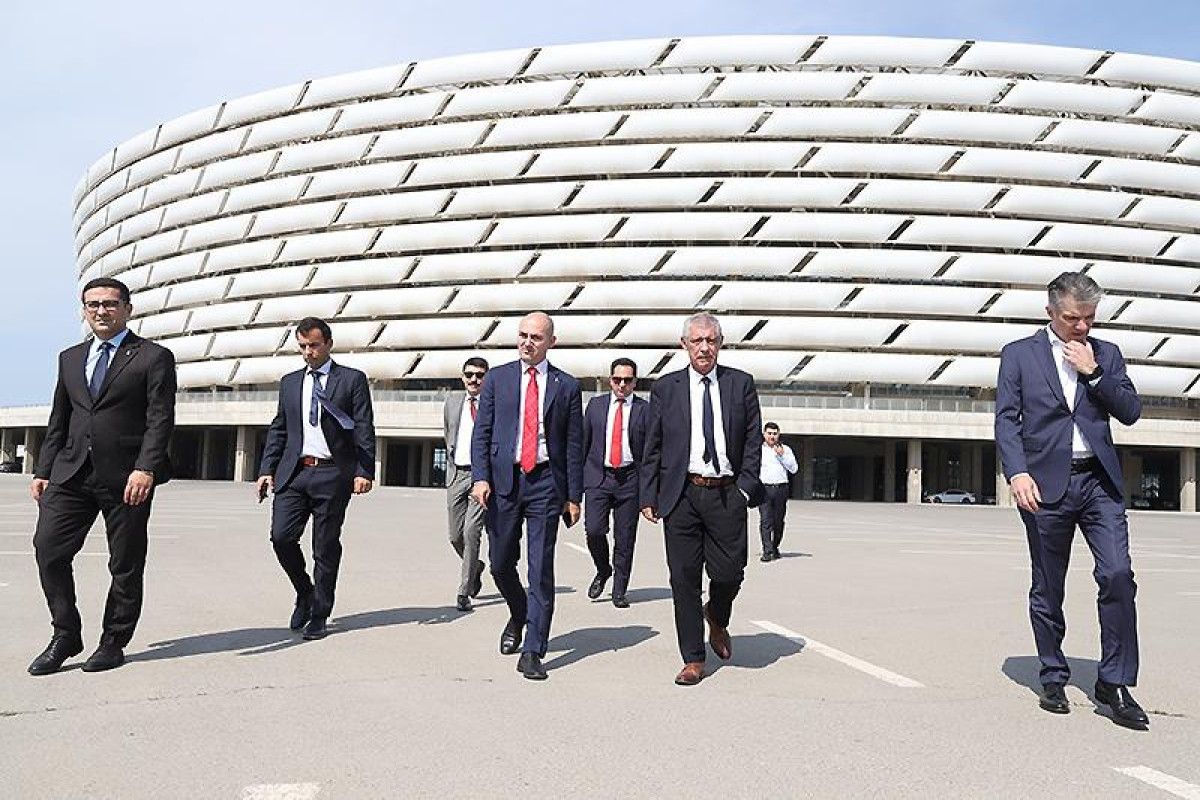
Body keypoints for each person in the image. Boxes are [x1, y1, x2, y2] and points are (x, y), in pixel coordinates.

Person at [995, 272, 1148, 728]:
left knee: (1118, 575)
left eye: (1089, 317)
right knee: (1048, 585)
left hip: (1099, 482)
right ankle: (1053, 675)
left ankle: (1115, 683)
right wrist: (1017, 472)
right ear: (1050, 312)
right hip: (1044, 485)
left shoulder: (1107, 354)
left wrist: (1094, 373)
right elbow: (1007, 420)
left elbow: (1131, 412)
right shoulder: (1019, 355)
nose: (1081, 326)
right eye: (1071, 318)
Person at [29, 277, 176, 675]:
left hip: (127, 477)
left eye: (110, 304)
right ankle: (65, 633)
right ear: (84, 309)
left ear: (128, 309)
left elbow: (160, 418)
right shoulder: (71, 358)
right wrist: (43, 469)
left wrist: (146, 466)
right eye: (93, 304)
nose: (101, 311)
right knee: (49, 549)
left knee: (125, 562)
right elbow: (60, 417)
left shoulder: (151, 356)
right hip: (71, 472)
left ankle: (113, 640)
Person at [641, 312, 763, 686]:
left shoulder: (740, 384)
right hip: (682, 495)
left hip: (727, 493)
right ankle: (693, 657)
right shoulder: (666, 388)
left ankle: (718, 616)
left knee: (729, 573)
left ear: (720, 343)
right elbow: (653, 445)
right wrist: (650, 494)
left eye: (711, 340)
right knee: (683, 579)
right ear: (684, 345)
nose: (704, 347)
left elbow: (754, 440)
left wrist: (744, 487)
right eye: (697, 341)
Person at [471, 312, 583, 681]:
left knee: (540, 568)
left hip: (547, 483)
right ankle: (519, 613)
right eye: (522, 335)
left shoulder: (566, 385)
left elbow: (572, 443)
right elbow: (482, 433)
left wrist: (573, 496)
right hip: (504, 481)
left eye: (536, 337)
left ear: (552, 341)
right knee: (501, 563)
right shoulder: (497, 379)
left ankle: (534, 649)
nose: (527, 342)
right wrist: (481, 477)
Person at [257, 317, 376, 641]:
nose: (308, 352)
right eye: (302, 346)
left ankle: (320, 613)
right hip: (294, 472)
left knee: (324, 547)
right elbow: (279, 427)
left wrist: (364, 471)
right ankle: (305, 592)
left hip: (332, 473)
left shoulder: (351, 380)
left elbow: (364, 426)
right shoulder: (290, 382)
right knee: (281, 538)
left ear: (328, 344)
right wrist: (267, 469)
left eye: (313, 345)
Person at [581, 357, 648, 608]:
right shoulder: (595, 406)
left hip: (630, 479)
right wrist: (576, 487)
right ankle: (603, 569)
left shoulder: (645, 409)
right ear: (610, 380)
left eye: (627, 380)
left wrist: (650, 491)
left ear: (634, 382)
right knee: (594, 530)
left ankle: (620, 590)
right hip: (599, 476)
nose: (622, 385)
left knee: (625, 538)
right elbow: (584, 443)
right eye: (617, 379)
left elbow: (651, 453)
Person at [444, 357, 489, 611]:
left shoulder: (491, 404)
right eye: (470, 374)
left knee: (472, 531)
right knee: (454, 536)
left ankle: (464, 591)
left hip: (480, 476)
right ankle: (476, 567)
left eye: (480, 375)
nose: (474, 379)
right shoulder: (452, 402)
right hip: (456, 474)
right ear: (463, 377)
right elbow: (448, 434)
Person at [757, 422, 797, 562]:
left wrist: (782, 456)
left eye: (775, 433)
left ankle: (775, 547)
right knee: (765, 520)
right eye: (769, 433)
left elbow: (794, 469)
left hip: (781, 489)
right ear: (764, 434)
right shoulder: (758, 450)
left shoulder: (785, 449)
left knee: (778, 521)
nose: (772, 436)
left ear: (778, 434)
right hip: (764, 489)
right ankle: (767, 551)